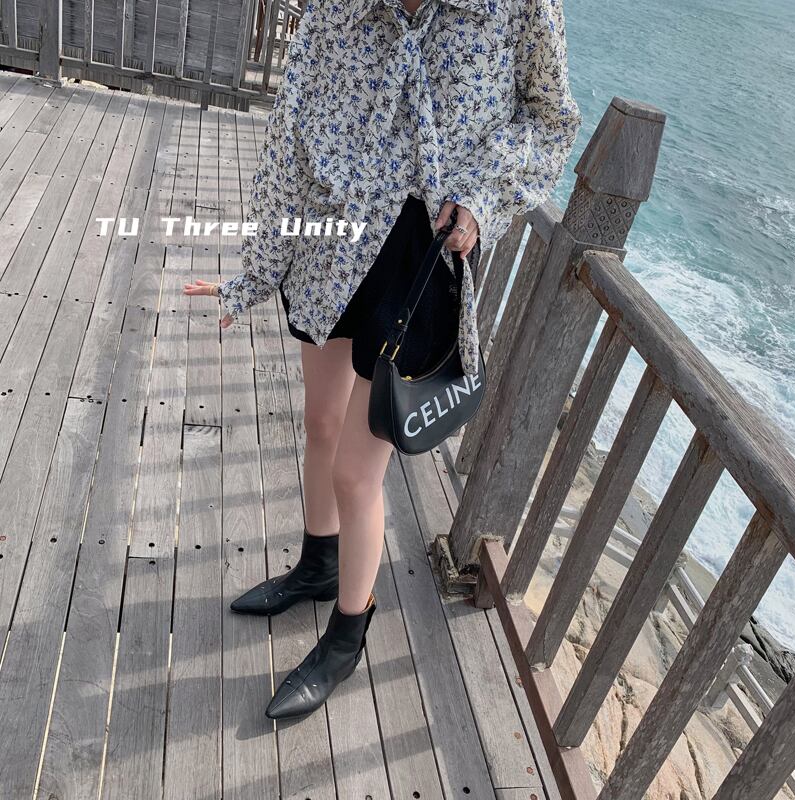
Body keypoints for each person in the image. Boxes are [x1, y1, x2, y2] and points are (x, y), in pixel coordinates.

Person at [184, 0, 582, 720]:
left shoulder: (518, 7)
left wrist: (481, 198)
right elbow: (288, 142)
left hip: (419, 260)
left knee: (355, 471)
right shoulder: (335, 9)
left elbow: (549, 119)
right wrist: (255, 272)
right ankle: (318, 563)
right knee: (319, 422)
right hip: (330, 246)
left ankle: (347, 634)